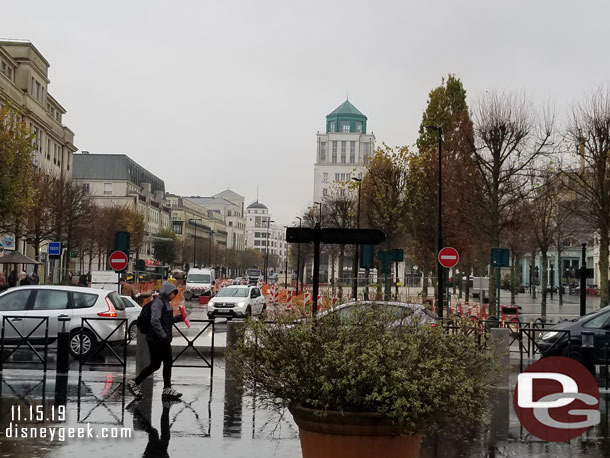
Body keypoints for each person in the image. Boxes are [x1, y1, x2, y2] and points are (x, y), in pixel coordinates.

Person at [128, 282, 184, 399]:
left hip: (161, 338)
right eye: (172, 293)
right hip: (157, 339)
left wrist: (179, 318)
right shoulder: (158, 303)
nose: (174, 295)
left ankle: (138, 383)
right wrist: (162, 335)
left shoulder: (165, 303)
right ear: (166, 292)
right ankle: (137, 383)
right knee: (161, 363)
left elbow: (167, 320)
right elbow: (155, 320)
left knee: (159, 364)